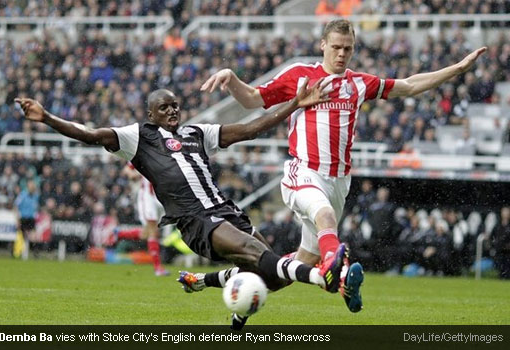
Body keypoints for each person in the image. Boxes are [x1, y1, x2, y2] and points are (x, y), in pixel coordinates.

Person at [201, 19, 487, 313]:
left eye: (347, 49)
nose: (341, 54)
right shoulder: (301, 76)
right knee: (325, 217)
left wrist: (457, 69)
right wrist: (231, 78)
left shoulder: (359, 83)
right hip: (304, 172)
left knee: (296, 268)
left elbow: (409, 86)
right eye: (336, 47)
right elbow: (251, 99)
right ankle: (340, 277)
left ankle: (222, 288)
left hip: (338, 182)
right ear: (323, 45)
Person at [15, 80, 341, 329]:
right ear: (150, 114)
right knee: (260, 256)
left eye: (175, 106)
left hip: (227, 212)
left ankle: (206, 287)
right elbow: (90, 135)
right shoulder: (138, 136)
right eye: (164, 108)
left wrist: (295, 103)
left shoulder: (196, 132)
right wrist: (47, 118)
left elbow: (251, 129)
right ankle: (324, 278)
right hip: (196, 221)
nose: (172, 111)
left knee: (271, 278)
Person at [121, 163, 170, 276]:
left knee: (147, 233)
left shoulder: (167, 151)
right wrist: (134, 175)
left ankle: (119, 234)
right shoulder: (146, 151)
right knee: (153, 232)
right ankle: (158, 268)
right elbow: (127, 169)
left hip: (161, 199)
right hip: (148, 198)